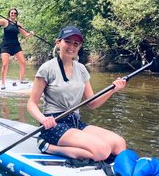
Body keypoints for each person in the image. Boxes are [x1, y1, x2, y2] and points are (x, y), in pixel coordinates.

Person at [27, 26, 127, 161]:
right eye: (67, 41)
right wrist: (43, 119)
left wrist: (113, 89)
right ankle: (48, 147)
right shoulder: (47, 68)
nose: (71, 47)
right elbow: (31, 104)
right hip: (54, 124)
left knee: (119, 144)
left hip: (75, 122)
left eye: (76, 43)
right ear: (58, 43)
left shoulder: (81, 69)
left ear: (79, 46)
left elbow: (92, 103)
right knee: (102, 151)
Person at [0, 6, 33, 89]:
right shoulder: (4, 21)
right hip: (6, 46)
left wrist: (31, 34)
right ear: (9, 14)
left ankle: (21, 81)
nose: (13, 14)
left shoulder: (18, 24)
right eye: (12, 13)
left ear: (16, 15)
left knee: (23, 62)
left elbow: (25, 35)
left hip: (15, 45)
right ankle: (3, 83)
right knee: (5, 64)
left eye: (15, 13)